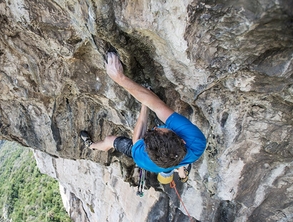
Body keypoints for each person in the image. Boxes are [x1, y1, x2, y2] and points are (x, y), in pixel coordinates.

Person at [80, 52, 207, 184]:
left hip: (145, 156)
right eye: (159, 130)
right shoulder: (196, 142)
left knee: (109, 140)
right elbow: (158, 107)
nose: (156, 127)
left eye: (155, 130)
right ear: (183, 141)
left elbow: (138, 136)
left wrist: (120, 79)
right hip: (177, 155)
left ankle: (92, 146)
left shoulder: (143, 157)